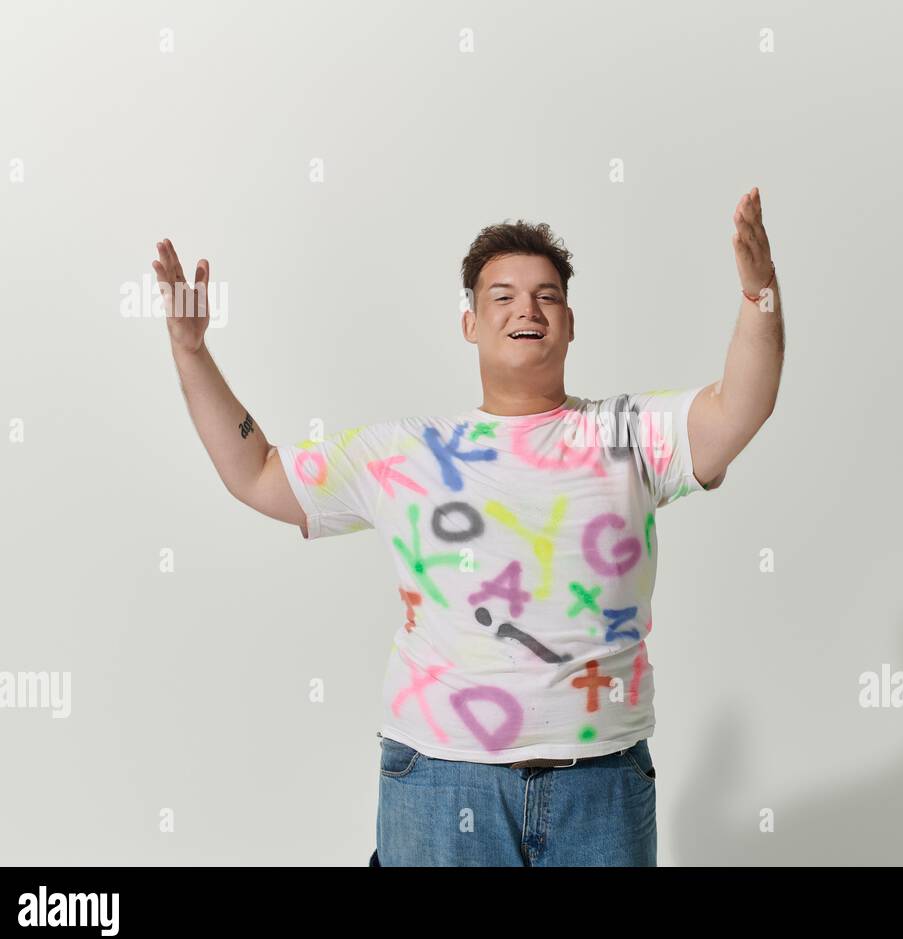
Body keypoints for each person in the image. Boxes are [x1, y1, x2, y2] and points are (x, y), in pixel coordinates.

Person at [154, 187, 783, 866]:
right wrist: (192, 354)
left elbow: (739, 409)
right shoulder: (406, 453)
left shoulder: (630, 433)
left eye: (546, 295)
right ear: (471, 324)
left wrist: (760, 298)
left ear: (569, 322)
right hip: (438, 779)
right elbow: (257, 473)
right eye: (503, 296)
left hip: (602, 782)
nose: (527, 309)